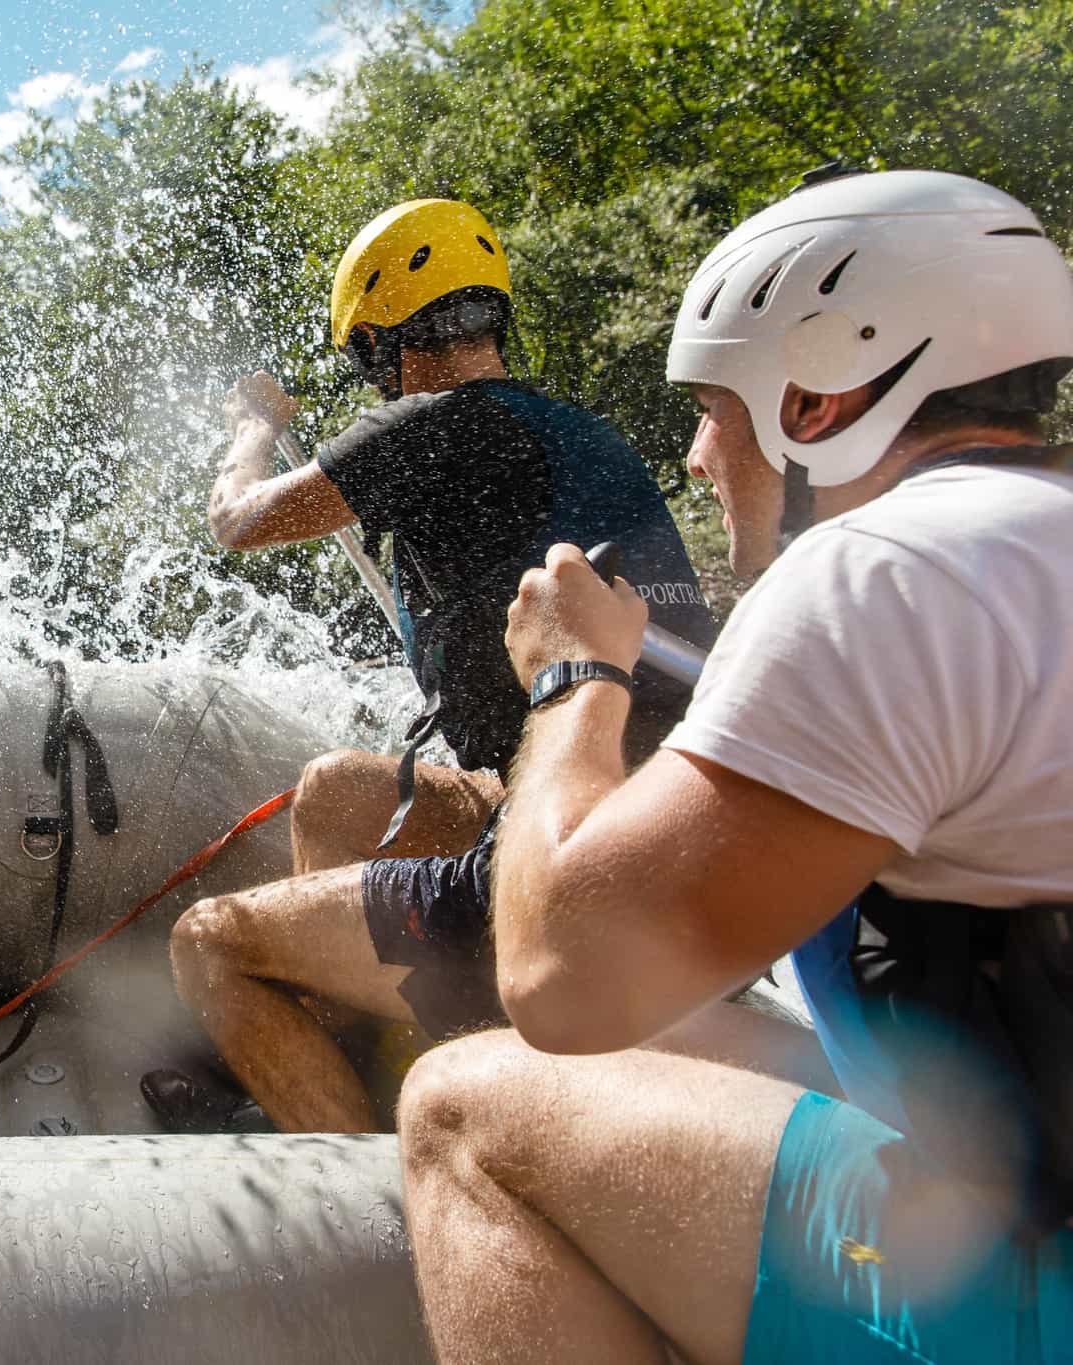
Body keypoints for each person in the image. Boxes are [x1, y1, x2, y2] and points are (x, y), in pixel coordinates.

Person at [398, 167, 1073, 1364]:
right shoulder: (1020, 536)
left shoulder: (881, 572)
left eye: (715, 406)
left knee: (458, 1105)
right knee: (677, 1036)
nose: (699, 456)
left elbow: (563, 976)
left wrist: (570, 680)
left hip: (1031, 1282)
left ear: (819, 395)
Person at [147, 198, 714, 1133]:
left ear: (380, 345)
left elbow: (236, 521)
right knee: (336, 792)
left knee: (207, 946)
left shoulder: (431, 424)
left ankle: (360, 1165)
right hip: (648, 809)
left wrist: (253, 426)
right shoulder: (577, 430)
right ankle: (333, 1070)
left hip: (580, 848)